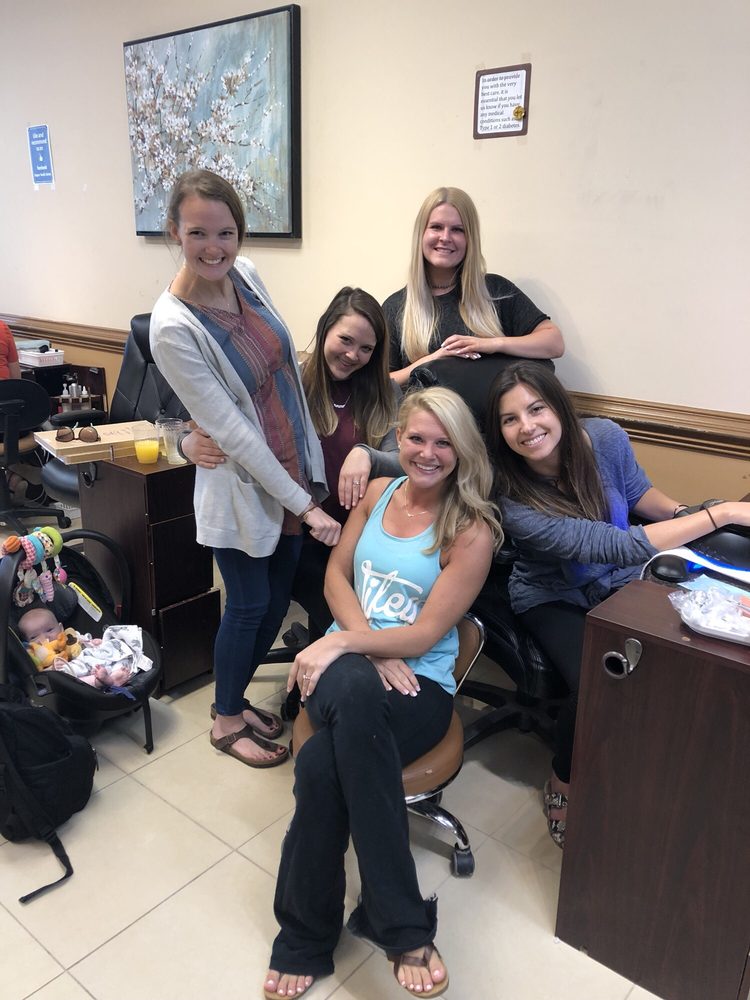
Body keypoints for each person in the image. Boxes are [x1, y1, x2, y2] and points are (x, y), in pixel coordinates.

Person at [263, 387, 503, 1000]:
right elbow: (335, 576)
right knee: (352, 687)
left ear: (462, 450)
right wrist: (363, 647)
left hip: (419, 685)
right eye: (416, 438)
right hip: (346, 667)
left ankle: (305, 936)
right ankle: (398, 923)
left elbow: (425, 634)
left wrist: (350, 644)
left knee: (321, 765)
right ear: (399, 438)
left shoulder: (472, 530)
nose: (428, 453)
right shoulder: (375, 494)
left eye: (444, 442)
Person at [485, 360, 750, 847]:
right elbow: (614, 544)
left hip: (619, 579)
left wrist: (685, 513)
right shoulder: (511, 498)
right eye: (510, 419)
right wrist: (724, 513)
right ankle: (562, 782)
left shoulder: (605, 437)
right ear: (499, 431)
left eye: (536, 409)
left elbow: (637, 493)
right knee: (597, 682)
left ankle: (649, 766)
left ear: (558, 406)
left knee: (685, 651)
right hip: (552, 595)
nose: (527, 426)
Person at [150, 168, 340, 768]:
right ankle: (225, 720)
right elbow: (231, 433)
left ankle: (232, 699)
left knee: (277, 600)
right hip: (244, 486)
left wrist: (306, 475)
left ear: (240, 233)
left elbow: (283, 371)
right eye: (198, 233)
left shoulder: (247, 275)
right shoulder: (172, 327)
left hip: (292, 467)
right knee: (250, 604)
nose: (214, 248)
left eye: (226, 233)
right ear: (174, 232)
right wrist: (303, 504)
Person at [383, 186, 564, 386]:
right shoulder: (395, 306)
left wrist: (492, 344)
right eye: (436, 227)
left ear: (470, 239)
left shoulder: (495, 290)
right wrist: (431, 361)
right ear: (421, 234)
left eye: (457, 230)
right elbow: (381, 383)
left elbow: (554, 343)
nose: (445, 237)